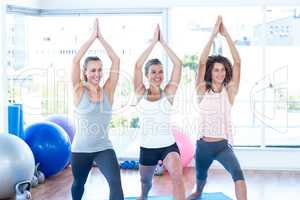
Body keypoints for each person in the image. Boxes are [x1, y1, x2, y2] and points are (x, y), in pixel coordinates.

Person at [187, 16, 247, 200]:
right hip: (203, 146)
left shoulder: (230, 92)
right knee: (200, 179)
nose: (220, 73)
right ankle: (198, 192)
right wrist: (213, 34)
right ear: (210, 72)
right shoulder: (202, 90)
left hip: (223, 146)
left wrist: (226, 34)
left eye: (222, 70)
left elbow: (237, 62)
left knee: (238, 175)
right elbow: (201, 62)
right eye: (216, 70)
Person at [70, 18, 123, 200]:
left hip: (103, 147)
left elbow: (116, 60)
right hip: (80, 149)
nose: (97, 74)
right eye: (93, 70)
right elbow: (76, 60)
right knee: (79, 185)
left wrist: (101, 38)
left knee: (115, 182)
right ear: (85, 72)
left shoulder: (108, 90)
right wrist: (92, 37)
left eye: (100, 70)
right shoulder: (79, 91)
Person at [134, 25, 185, 200]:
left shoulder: (168, 93)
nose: (158, 75)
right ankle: (143, 196)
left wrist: (162, 43)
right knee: (145, 183)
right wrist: (152, 43)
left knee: (177, 177)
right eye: (153, 72)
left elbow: (178, 65)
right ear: (147, 75)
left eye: (161, 71)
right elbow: (137, 65)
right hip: (147, 148)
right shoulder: (140, 93)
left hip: (168, 146)